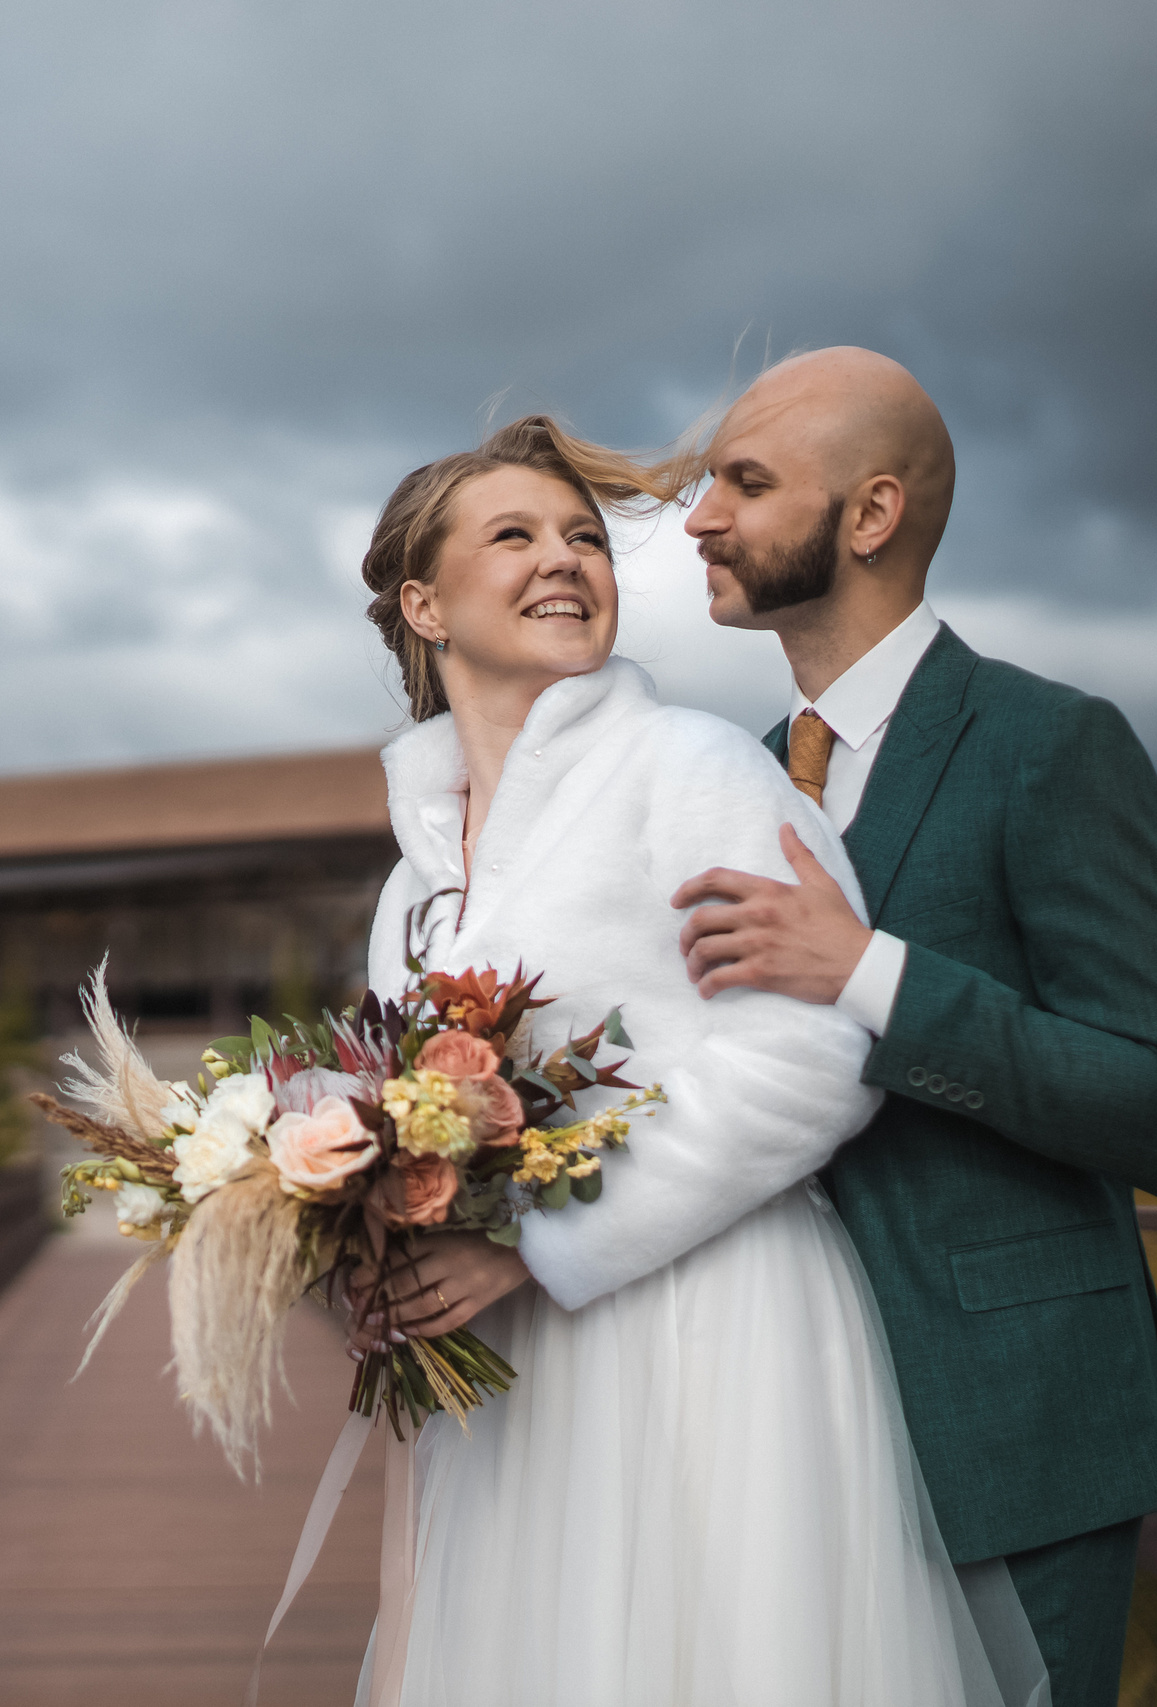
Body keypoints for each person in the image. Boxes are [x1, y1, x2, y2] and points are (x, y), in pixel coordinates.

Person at [345, 415, 1042, 1705]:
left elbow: (816, 1053)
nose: (565, 560)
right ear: (425, 605)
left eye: (585, 539)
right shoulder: (412, 883)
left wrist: (534, 1247)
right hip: (521, 1383)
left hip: (708, 1333)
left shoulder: (693, 769)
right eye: (516, 536)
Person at [665, 347, 1157, 1707]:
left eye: (743, 483)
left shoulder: (1051, 746)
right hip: (771, 1430)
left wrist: (873, 976)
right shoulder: (722, 780)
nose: (698, 520)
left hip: (1008, 1426)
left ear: (869, 517)